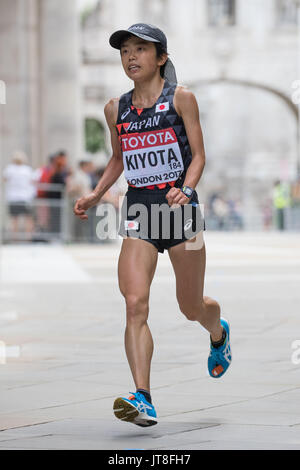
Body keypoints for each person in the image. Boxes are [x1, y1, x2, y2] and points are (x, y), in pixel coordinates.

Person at [73, 23, 232, 427]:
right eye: (125, 50)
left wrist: (188, 189)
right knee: (134, 303)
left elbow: (198, 155)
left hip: (181, 212)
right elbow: (118, 158)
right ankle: (142, 396)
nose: (131, 57)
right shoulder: (116, 108)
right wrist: (96, 194)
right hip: (139, 210)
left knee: (190, 306)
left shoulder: (182, 99)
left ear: (160, 57)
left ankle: (218, 332)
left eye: (140, 49)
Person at [3, 150, 37, 241]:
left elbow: (4, 179)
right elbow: (33, 181)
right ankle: (28, 237)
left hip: (12, 197)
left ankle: (15, 238)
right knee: (28, 218)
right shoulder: (27, 170)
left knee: (14, 219)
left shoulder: (9, 169)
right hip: (25, 197)